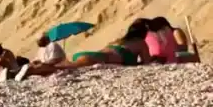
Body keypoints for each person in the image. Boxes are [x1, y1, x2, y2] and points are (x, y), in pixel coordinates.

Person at [14, 18, 152, 80]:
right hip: (95, 58)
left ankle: (23, 69)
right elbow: (147, 63)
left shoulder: (119, 41)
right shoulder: (140, 43)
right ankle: (32, 70)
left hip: (90, 55)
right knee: (60, 69)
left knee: (61, 65)